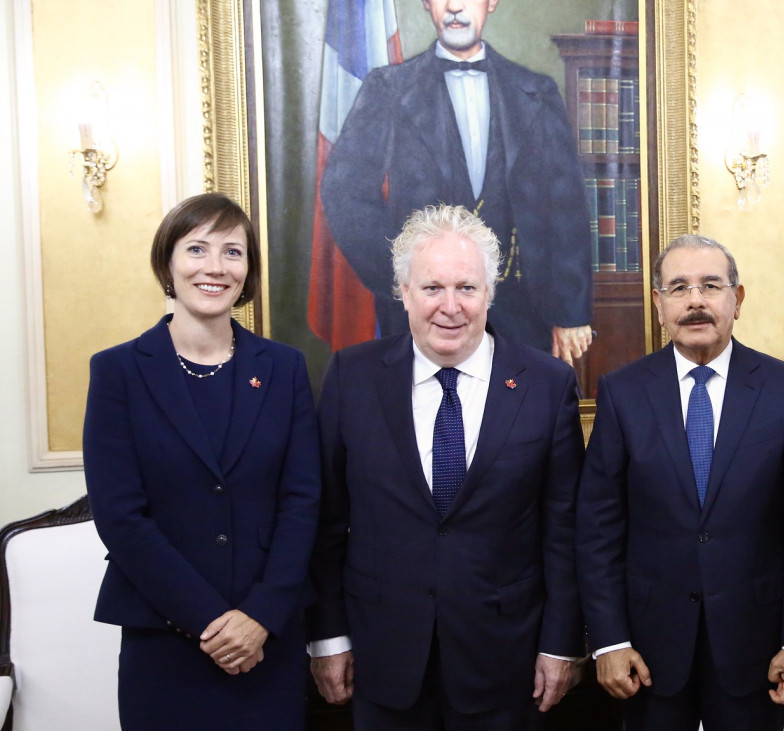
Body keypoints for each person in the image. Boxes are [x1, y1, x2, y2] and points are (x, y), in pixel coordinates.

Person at [307, 204, 585, 729]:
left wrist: (562, 642)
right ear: (404, 293)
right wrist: (328, 636)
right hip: (381, 654)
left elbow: (565, 531)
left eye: (467, 288)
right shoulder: (352, 378)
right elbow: (325, 523)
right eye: (432, 288)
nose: (450, 307)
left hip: (508, 660)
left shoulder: (547, 386)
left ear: (490, 293)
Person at [83, 193, 320, 730]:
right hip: (163, 636)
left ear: (247, 271)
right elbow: (120, 516)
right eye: (197, 249)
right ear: (168, 262)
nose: (215, 267)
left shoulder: (283, 368)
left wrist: (259, 616)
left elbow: (302, 502)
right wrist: (212, 622)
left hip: (267, 636)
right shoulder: (119, 371)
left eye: (232, 253)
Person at [577, 234, 784, 730]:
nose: (695, 301)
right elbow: (597, 531)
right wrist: (608, 640)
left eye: (710, 286)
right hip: (646, 652)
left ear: (736, 299)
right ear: (658, 304)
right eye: (678, 288)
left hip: (755, 647)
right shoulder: (622, 393)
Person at [320, 0, 593, 363]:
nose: (453, 7)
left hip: (524, 316)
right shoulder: (387, 88)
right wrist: (405, 276)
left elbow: (566, 207)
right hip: (422, 318)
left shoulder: (537, 92)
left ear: (491, 2)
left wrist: (570, 311)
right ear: (426, 3)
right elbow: (344, 192)